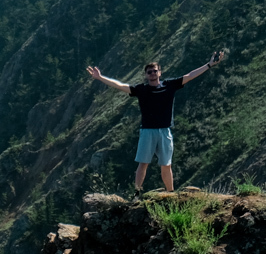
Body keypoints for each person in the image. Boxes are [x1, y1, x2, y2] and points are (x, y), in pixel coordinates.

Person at [86, 50, 226, 193]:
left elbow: (189, 76)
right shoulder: (141, 89)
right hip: (147, 131)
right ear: (146, 75)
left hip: (165, 131)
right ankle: (137, 192)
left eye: (154, 71)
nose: (152, 73)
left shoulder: (169, 85)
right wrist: (100, 77)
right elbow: (120, 86)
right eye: (149, 72)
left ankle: (170, 192)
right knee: (143, 164)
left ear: (160, 72)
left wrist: (209, 65)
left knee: (166, 164)